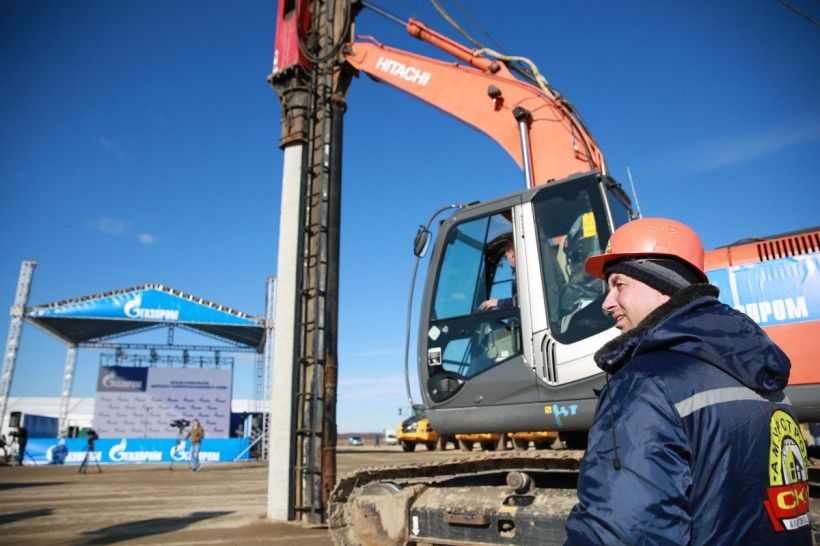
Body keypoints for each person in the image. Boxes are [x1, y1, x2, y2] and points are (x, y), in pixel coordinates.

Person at [564, 218, 811, 545]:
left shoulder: (646, 383)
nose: (607, 303)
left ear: (662, 284)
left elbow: (624, 532)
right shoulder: (761, 377)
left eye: (618, 285)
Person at [478, 238, 516, 310]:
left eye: (506, 256)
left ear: (511, 254)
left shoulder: (521, 276)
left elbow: (521, 302)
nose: (507, 260)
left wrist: (497, 303)